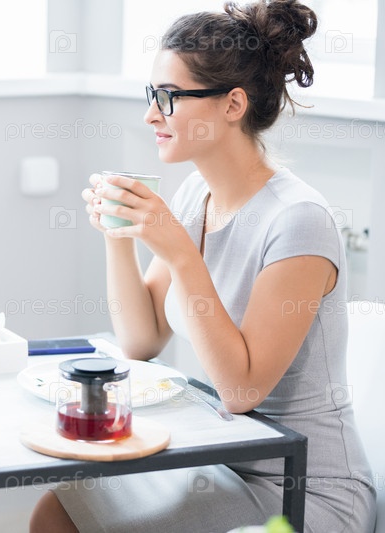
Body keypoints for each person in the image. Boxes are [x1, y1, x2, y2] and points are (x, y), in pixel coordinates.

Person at [30, 1, 376, 532]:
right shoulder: (198, 194)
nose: (151, 115)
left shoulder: (298, 220)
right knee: (59, 511)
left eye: (169, 97)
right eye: (151, 95)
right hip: (224, 458)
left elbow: (242, 391)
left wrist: (181, 253)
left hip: (305, 485)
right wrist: (118, 235)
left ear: (233, 104)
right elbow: (141, 340)